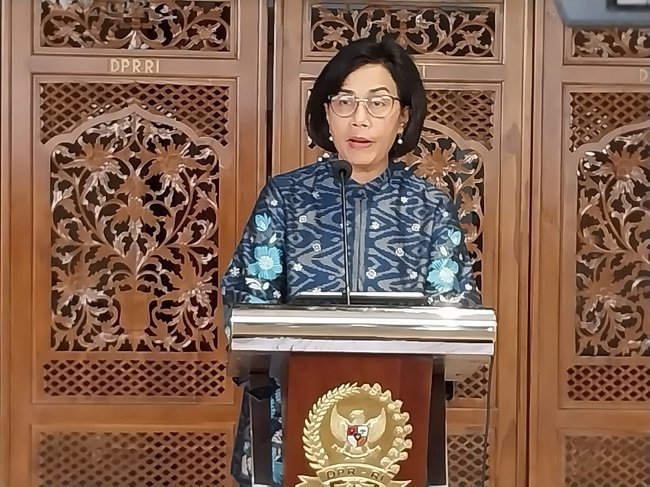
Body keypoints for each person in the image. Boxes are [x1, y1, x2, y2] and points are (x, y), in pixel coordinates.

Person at [221, 36, 481, 486]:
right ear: (327, 113)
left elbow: (455, 315)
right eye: (345, 101)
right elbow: (245, 303)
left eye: (378, 103)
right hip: (288, 422)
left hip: (398, 423)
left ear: (403, 117)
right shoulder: (286, 197)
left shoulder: (429, 208)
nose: (359, 119)